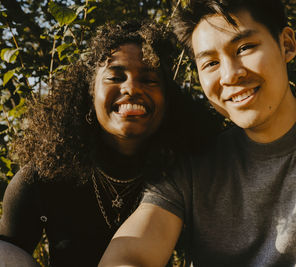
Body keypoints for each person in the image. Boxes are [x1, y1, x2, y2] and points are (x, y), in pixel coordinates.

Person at [99, 1, 296, 266]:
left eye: (244, 48)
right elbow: (129, 255)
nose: (230, 74)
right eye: (211, 63)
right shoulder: (190, 171)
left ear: (287, 44)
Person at [0, 20, 220, 266]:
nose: (131, 88)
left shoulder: (183, 171)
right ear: (90, 93)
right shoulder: (43, 177)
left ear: (169, 99)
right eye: (115, 76)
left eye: (149, 80)